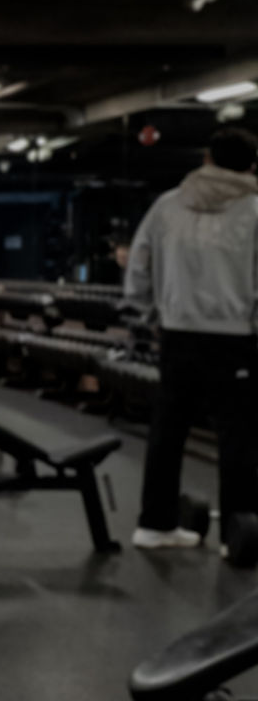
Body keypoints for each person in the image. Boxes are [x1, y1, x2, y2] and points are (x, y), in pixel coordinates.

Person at [125, 125, 258, 553]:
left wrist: (149, 313)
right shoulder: (255, 209)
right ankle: (237, 534)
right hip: (235, 338)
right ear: (252, 164)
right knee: (237, 437)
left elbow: (139, 265)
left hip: (177, 334)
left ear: (207, 159)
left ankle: (155, 526)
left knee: (167, 430)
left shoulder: (168, 206)